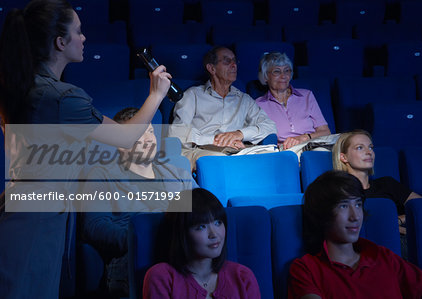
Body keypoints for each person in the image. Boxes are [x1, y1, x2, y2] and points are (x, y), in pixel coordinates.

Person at [0, 1, 171, 298]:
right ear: (60, 42)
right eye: (78, 32)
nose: (84, 38)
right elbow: (127, 137)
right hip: (37, 222)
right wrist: (156, 94)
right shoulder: (61, 98)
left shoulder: (23, 87)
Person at [80, 107, 196, 297]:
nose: (149, 139)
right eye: (139, 134)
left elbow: (204, 212)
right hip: (135, 257)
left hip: (184, 254)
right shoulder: (101, 176)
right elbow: (94, 227)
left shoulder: (178, 174)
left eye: (150, 131)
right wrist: (144, 238)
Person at [288, 170, 422, 299]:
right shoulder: (306, 268)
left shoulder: (383, 256)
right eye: (343, 206)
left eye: (358, 204)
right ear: (321, 215)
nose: (355, 216)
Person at [168, 46, 276, 170]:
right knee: (221, 160)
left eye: (235, 61)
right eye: (227, 61)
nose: (234, 65)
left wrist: (239, 134)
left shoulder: (244, 99)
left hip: (236, 149)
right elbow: (177, 132)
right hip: (202, 150)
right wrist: (216, 140)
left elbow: (270, 127)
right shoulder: (192, 95)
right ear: (212, 68)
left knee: (274, 157)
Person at [143, 188, 261, 299]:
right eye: (201, 226)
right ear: (182, 233)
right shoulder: (162, 277)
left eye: (218, 223)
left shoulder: (242, 276)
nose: (214, 234)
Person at [332, 130, 421, 216]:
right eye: (360, 147)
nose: (369, 152)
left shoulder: (387, 183)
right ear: (344, 157)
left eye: (370, 147)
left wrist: (399, 220)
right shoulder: (340, 192)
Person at [255, 52, 330, 150]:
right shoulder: (258, 104)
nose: (283, 76)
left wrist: (304, 137)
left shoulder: (306, 95)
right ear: (265, 77)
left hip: (315, 145)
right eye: (277, 72)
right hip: (286, 150)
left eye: (287, 71)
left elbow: (326, 132)